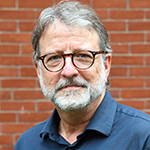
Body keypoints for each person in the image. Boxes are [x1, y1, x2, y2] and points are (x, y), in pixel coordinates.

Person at [14, 1, 150, 150]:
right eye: (54, 58)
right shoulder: (27, 144)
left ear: (106, 65)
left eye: (83, 56)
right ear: (39, 70)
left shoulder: (143, 137)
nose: (68, 71)